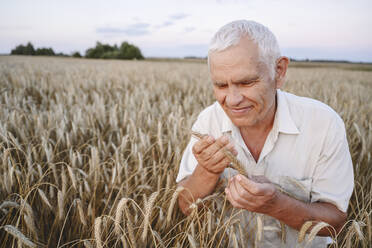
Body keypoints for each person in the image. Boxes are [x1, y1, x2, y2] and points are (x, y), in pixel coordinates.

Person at [176, 20, 354, 247]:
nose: (232, 100)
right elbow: (184, 205)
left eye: (247, 82)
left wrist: (275, 204)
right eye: (221, 86)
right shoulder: (208, 120)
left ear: (279, 71)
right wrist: (207, 171)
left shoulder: (324, 124)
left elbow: (335, 223)